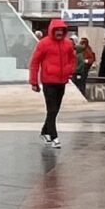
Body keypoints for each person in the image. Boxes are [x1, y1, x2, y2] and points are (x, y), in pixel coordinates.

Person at [28, 17, 76, 148]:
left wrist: (69, 69)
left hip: (61, 80)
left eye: (62, 30)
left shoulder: (67, 44)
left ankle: (45, 131)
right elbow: (35, 62)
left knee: (55, 110)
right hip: (48, 81)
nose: (59, 32)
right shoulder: (44, 43)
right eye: (57, 30)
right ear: (52, 30)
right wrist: (34, 81)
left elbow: (72, 58)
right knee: (52, 109)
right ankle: (54, 136)